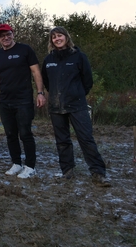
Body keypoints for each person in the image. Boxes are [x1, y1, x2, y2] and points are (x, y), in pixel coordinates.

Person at [41, 26, 110, 187]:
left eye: (60, 36)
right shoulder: (48, 60)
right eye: (54, 37)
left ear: (66, 37)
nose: (57, 39)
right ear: (51, 41)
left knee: (86, 139)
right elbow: (47, 82)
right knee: (62, 141)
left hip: (77, 105)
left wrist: (76, 94)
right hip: (56, 107)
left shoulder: (79, 56)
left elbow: (88, 81)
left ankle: (98, 172)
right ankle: (67, 171)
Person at [0, 23, 46, 178]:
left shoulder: (25, 50)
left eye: (8, 34)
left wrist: (40, 93)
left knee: (25, 133)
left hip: (23, 100)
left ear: (13, 34)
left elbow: (35, 72)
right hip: (5, 100)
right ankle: (16, 163)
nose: (5, 38)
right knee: (10, 133)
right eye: (2, 36)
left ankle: (30, 166)